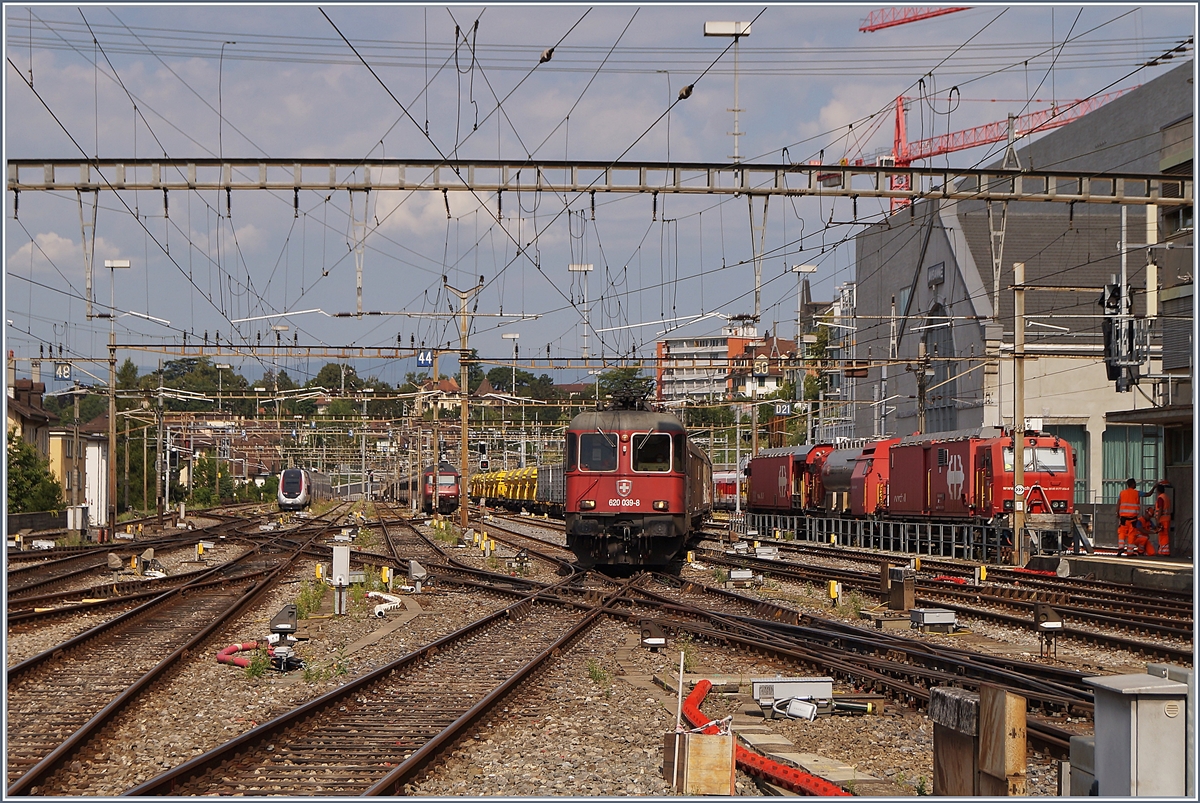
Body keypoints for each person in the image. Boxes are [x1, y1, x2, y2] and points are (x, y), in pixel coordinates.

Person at [1116, 477, 1141, 555]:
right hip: (1133, 519)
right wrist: (1154, 487)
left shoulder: (1122, 493)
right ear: (1133, 484)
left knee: (1122, 533)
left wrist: (1117, 513)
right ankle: (1130, 552)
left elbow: (1118, 503)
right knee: (1131, 535)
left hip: (1123, 518)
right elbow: (1148, 494)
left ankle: (1121, 547)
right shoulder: (1137, 493)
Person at [1153, 481, 1172, 557]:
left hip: (1162, 518)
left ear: (1158, 491)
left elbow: (1160, 509)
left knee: (1163, 535)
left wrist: (1158, 519)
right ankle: (1162, 550)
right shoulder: (1166, 497)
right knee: (1164, 534)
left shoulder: (1160, 498)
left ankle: (1164, 551)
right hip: (1166, 518)